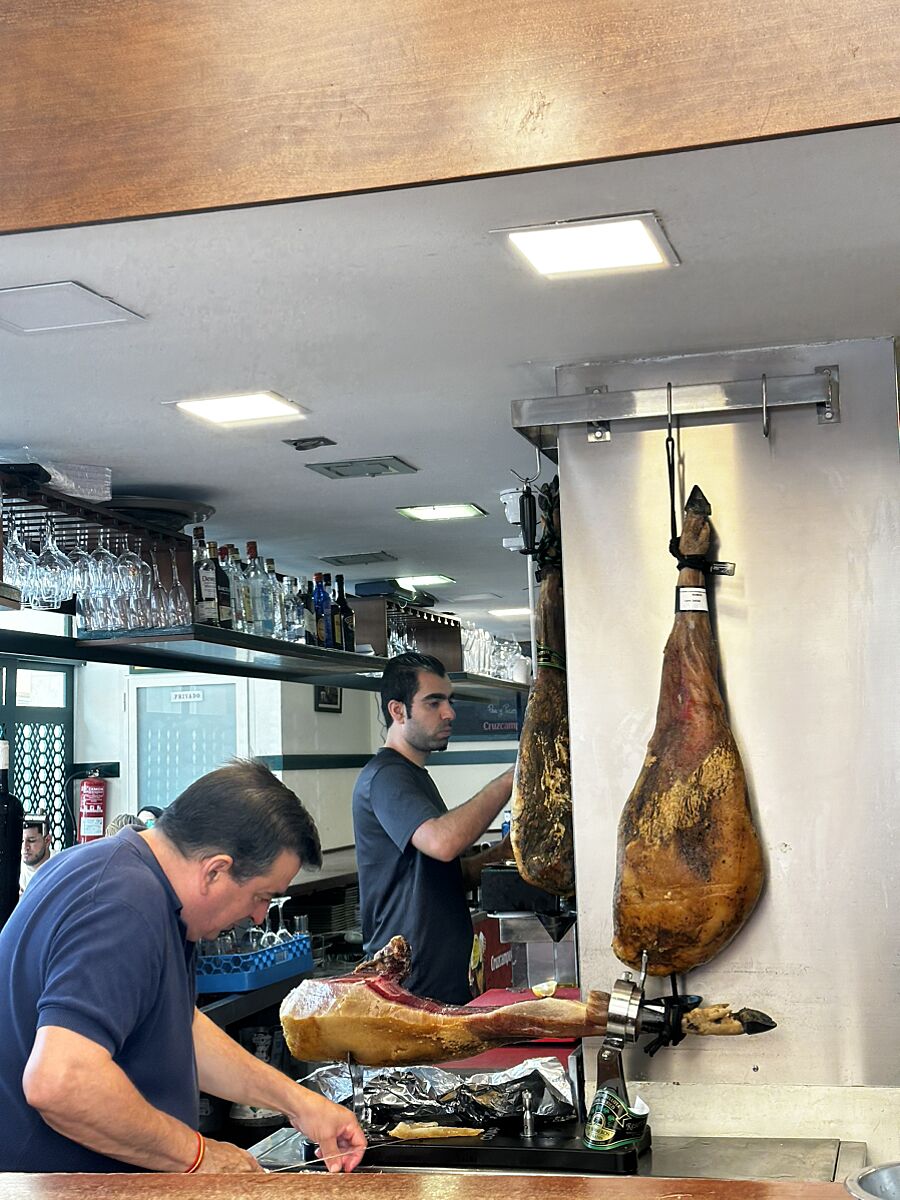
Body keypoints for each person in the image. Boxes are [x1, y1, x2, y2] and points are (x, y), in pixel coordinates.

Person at [0, 759, 366, 1174]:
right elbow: (60, 1081)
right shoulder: (123, 904)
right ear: (215, 870)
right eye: (262, 896)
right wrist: (199, 1156)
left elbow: (179, 1028)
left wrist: (300, 1103)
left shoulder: (136, 882)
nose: (259, 917)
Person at [352, 652, 514, 1004]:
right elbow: (443, 842)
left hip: (441, 985)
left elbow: (446, 874)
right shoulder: (385, 777)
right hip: (409, 991)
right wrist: (510, 780)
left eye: (449, 701)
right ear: (398, 711)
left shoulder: (415, 777)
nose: (449, 713)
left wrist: (501, 852)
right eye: (434, 702)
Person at [20, 816, 52, 894]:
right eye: (21, 841)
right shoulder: (11, 868)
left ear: (47, 841)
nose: (25, 847)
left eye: (31, 840)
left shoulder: (60, 865)